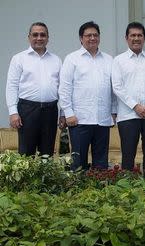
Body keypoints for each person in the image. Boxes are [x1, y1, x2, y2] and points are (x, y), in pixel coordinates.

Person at [59, 21, 116, 170]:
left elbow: (114, 89)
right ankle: (78, 192)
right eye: (88, 35)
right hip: (79, 120)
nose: (92, 38)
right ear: (81, 38)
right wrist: (68, 113)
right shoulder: (72, 59)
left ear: (99, 37)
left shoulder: (109, 60)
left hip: (102, 120)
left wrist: (114, 112)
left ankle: (99, 192)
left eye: (95, 35)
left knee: (101, 163)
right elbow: (64, 88)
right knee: (78, 163)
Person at [112, 22, 145, 177]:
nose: (136, 38)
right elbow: (117, 87)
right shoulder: (119, 60)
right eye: (132, 35)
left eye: (139, 35)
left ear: (144, 38)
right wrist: (136, 106)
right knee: (128, 156)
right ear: (126, 38)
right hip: (128, 115)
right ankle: (128, 189)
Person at [5, 22, 61, 156]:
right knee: (26, 153)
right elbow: (11, 85)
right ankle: (27, 178)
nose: (39, 38)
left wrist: (63, 113)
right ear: (29, 37)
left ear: (48, 38)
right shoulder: (19, 59)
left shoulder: (56, 60)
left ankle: (45, 178)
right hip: (27, 110)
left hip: (50, 110)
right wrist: (13, 112)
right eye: (35, 35)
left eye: (43, 35)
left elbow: (61, 88)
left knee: (47, 154)